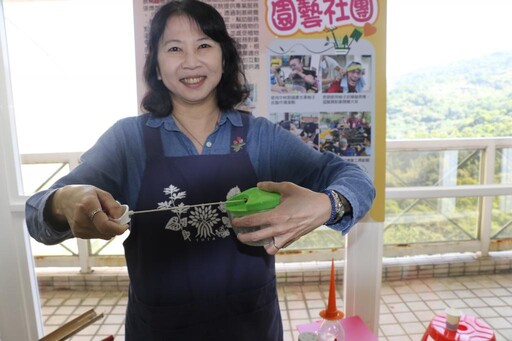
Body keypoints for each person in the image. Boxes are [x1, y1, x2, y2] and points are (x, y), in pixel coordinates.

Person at [25, 1, 375, 339]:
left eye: (204, 45)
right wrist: (63, 202)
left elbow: (355, 180)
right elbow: (36, 214)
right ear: (157, 67)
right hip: (159, 330)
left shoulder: (260, 137)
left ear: (224, 57)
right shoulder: (128, 141)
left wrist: (330, 203)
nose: (191, 61)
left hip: (251, 328)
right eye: (174, 49)